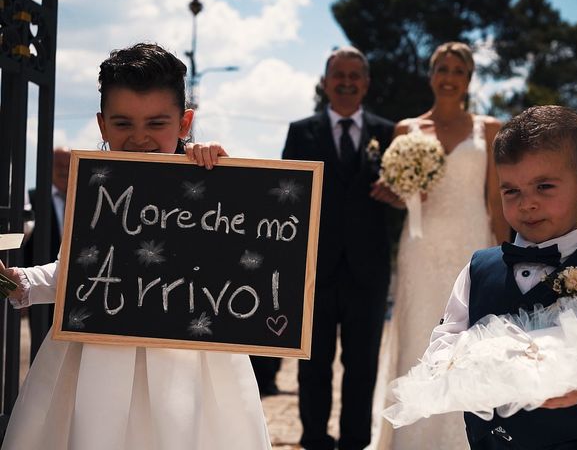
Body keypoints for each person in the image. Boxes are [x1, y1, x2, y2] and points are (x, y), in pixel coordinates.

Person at [0, 43, 272, 450]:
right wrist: (17, 282)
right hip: (97, 358)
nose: (139, 139)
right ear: (102, 124)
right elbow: (77, 271)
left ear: (184, 123)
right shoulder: (96, 185)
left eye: (157, 123)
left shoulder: (206, 179)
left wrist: (224, 177)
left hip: (190, 360)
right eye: (123, 123)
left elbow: (242, 262)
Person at [422, 105, 577, 449]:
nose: (527, 204)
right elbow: (447, 335)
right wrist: (452, 367)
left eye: (544, 186)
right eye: (511, 191)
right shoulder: (479, 268)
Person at [370, 41, 510, 450]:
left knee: (469, 344)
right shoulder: (405, 130)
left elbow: (496, 202)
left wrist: (506, 259)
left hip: (472, 248)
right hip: (420, 248)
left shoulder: (490, 129)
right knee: (418, 337)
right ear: (431, 76)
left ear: (468, 80)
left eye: (458, 71)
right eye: (442, 69)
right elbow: (400, 196)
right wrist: (399, 193)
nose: (449, 78)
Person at [282, 46, 395, 450]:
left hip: (368, 268)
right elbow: (285, 198)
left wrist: (396, 193)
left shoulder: (389, 132)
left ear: (365, 83)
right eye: (339, 75)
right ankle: (314, 438)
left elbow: (405, 198)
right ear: (326, 82)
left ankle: (354, 441)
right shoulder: (300, 132)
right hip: (314, 266)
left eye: (354, 76)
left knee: (362, 364)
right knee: (313, 364)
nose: (346, 83)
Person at [23, 146, 71, 361]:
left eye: (68, 164)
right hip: (42, 288)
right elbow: (23, 244)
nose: (64, 170)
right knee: (42, 352)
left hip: (78, 291)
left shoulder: (88, 197)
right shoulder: (31, 199)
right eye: (58, 165)